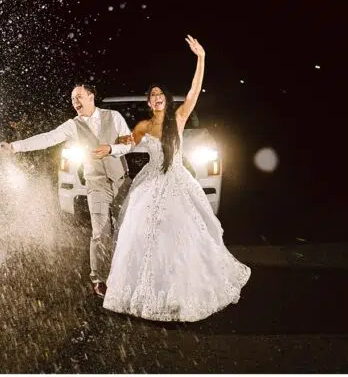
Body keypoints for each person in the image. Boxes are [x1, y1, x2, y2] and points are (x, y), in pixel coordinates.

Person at [102, 35, 250, 322]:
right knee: (142, 235)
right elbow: (127, 144)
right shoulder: (144, 125)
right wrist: (109, 147)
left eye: (160, 94)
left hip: (177, 181)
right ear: (149, 101)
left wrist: (201, 58)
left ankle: (180, 294)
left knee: (179, 236)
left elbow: (194, 91)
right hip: (150, 182)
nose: (156, 98)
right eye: (152, 95)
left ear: (166, 100)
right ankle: (143, 292)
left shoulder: (179, 118)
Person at [0, 83, 134, 298]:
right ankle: (99, 279)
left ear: (91, 96)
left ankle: (126, 273)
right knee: (100, 233)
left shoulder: (114, 116)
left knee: (127, 230)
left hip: (121, 183)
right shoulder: (73, 125)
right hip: (96, 185)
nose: (76, 102)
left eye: (79, 97)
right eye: (73, 99)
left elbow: (130, 143)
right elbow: (47, 138)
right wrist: (15, 147)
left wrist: (111, 149)